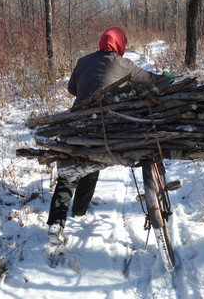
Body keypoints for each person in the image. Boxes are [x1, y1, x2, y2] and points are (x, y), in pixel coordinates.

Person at [47, 27, 167, 244]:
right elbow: (149, 80)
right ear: (120, 44)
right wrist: (165, 78)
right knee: (94, 161)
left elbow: (72, 89)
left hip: (77, 124)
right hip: (105, 128)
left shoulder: (83, 61)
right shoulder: (124, 64)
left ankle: (57, 223)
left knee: (72, 168)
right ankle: (81, 210)